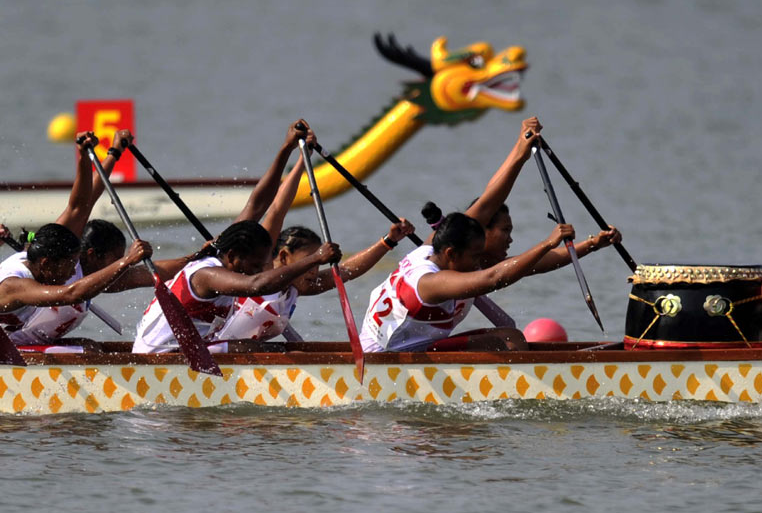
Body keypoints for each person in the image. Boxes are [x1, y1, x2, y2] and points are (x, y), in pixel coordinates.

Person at [132, 120, 348, 352]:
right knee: (257, 349)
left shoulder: (222, 247)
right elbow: (257, 285)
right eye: (254, 266)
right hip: (158, 357)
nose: (258, 270)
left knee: (260, 348)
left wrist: (288, 150)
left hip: (187, 352)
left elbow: (259, 204)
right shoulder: (207, 275)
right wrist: (315, 258)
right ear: (233, 257)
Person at [210, 146, 416, 344]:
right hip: (212, 348)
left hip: (240, 354)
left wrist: (388, 241)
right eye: (310, 261)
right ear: (284, 257)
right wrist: (302, 160)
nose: (314, 270)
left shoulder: (297, 288)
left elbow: (347, 271)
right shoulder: (260, 271)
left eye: (317, 263)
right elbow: (277, 210)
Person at [0, 133, 152, 346]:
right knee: (89, 351)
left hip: (19, 343)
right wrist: (126, 261)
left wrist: (110, 153)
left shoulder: (51, 244)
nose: (74, 271)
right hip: (9, 352)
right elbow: (72, 294)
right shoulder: (14, 285)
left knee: (90, 346)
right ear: (46, 263)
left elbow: (80, 205)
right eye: (70, 264)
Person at [360, 211, 574, 352]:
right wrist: (547, 243)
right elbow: (494, 278)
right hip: (386, 358)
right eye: (474, 256)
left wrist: (589, 244)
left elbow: (532, 266)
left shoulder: (425, 253)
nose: (478, 262)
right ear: (451, 253)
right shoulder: (432, 282)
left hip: (397, 348)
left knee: (510, 336)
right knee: (506, 342)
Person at [453, 117, 622, 274]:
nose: (510, 240)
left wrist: (593, 244)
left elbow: (536, 263)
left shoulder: (482, 264)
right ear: (482, 230)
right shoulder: (452, 256)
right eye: (505, 230)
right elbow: (489, 201)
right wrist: (520, 153)